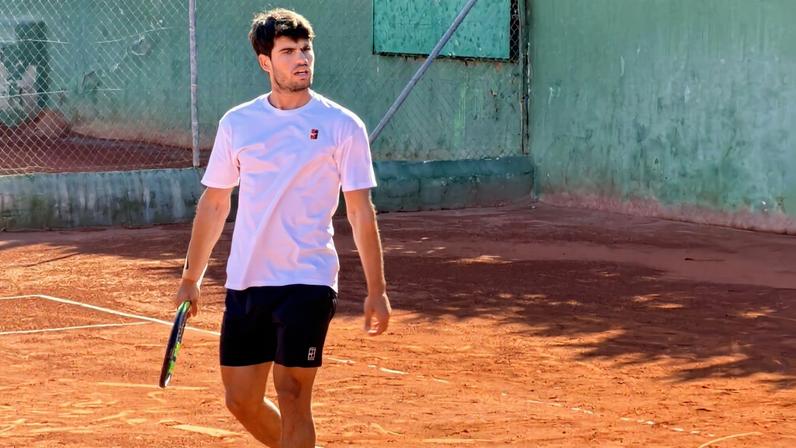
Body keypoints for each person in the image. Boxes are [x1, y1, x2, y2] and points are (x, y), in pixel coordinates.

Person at [173, 8, 391, 447]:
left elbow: (361, 212)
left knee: (292, 393)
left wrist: (376, 289)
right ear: (265, 62)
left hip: (308, 280)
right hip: (247, 281)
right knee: (240, 400)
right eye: (288, 51)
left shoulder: (342, 126)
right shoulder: (239, 123)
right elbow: (215, 204)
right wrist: (190, 278)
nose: (301, 59)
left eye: (306, 49)